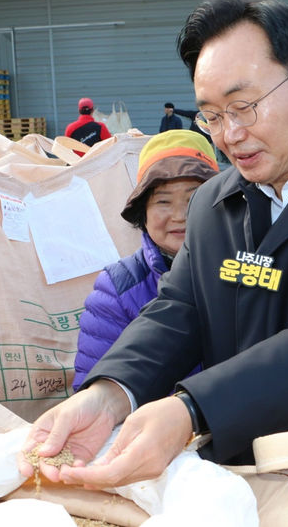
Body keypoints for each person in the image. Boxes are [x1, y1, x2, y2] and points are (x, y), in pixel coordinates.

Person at [18, 0, 288, 488]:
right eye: (213, 116)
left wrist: (194, 409)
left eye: (244, 107)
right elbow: (179, 309)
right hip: (242, 475)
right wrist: (111, 391)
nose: (230, 135)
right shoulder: (214, 201)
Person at [73, 130, 219, 391]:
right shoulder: (117, 287)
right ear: (144, 211)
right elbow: (96, 390)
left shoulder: (249, 269)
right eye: (163, 201)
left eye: (194, 198)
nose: (179, 216)